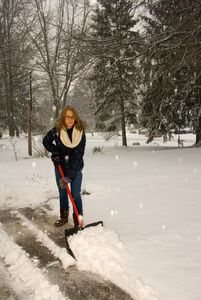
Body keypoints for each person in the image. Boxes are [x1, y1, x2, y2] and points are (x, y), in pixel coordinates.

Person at [43, 105, 86, 228]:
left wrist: (70, 176)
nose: (70, 119)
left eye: (72, 117)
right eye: (67, 117)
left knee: (75, 194)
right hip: (60, 166)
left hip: (76, 168)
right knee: (62, 192)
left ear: (75, 118)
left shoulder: (80, 132)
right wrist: (55, 152)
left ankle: (78, 221)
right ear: (63, 118)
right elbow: (46, 141)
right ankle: (63, 217)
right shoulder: (57, 130)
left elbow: (78, 155)